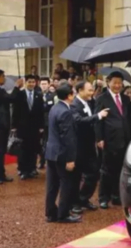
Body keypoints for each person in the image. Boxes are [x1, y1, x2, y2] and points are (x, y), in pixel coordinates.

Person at [95, 71, 131, 209]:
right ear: (108, 82)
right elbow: (97, 120)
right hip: (108, 139)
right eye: (114, 82)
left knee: (120, 169)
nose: (117, 85)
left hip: (124, 139)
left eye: (119, 83)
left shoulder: (126, 99)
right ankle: (103, 197)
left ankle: (116, 196)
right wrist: (99, 138)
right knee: (106, 170)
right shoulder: (101, 98)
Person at [71, 81, 109, 213]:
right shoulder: (74, 105)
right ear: (80, 90)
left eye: (92, 90)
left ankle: (84, 198)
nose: (91, 93)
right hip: (78, 146)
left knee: (93, 173)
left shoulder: (90, 102)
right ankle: (74, 202)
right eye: (89, 90)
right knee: (76, 176)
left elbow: (99, 100)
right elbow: (78, 121)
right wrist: (98, 116)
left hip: (89, 145)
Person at [45, 83, 79, 223]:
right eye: (73, 92)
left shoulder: (54, 108)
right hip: (61, 153)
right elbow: (68, 137)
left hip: (51, 151)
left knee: (52, 185)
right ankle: (63, 214)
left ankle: (50, 213)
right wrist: (70, 159)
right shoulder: (66, 112)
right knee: (66, 183)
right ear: (69, 95)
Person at [0, 69, 20, 185]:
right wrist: (16, 87)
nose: (4, 78)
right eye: (3, 76)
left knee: (2, 150)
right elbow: (10, 98)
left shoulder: (0, 89)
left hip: (4, 123)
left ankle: (1, 174)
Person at [12, 74, 44, 180]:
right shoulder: (20, 94)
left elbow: (41, 112)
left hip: (34, 127)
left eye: (33, 82)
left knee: (34, 148)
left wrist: (41, 126)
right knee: (23, 149)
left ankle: (32, 168)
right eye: (29, 82)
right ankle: (22, 169)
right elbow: (15, 111)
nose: (31, 84)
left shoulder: (39, 95)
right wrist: (14, 126)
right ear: (25, 82)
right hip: (22, 126)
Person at [39, 78, 55, 169]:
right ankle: (41, 161)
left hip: (49, 123)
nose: (44, 85)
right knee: (39, 143)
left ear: (49, 84)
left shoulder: (53, 96)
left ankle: (48, 161)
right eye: (42, 84)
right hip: (39, 123)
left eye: (45, 83)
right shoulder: (37, 95)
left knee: (47, 143)